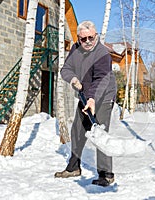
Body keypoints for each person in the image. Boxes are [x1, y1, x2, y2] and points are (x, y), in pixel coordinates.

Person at [54, 21, 117, 187]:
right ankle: (74, 167)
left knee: (100, 133)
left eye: (91, 37)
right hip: (84, 95)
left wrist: (92, 99)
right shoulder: (75, 49)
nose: (88, 41)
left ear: (96, 36)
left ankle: (106, 174)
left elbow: (101, 81)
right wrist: (73, 79)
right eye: (84, 39)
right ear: (78, 38)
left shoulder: (102, 53)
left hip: (102, 97)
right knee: (77, 130)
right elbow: (65, 69)